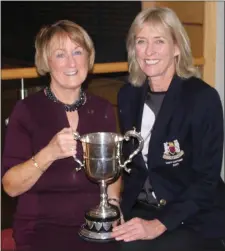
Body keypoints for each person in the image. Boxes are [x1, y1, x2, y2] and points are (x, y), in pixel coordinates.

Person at [111, 7, 225, 251]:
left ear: (176, 48)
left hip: (192, 214)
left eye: (159, 41)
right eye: (141, 41)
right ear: (134, 49)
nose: (149, 51)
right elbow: (130, 165)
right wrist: (115, 208)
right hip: (141, 207)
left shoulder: (203, 99)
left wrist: (158, 224)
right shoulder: (128, 95)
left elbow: (207, 179)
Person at [2, 20, 121, 251]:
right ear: (46, 62)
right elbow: (10, 186)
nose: (72, 62)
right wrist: (49, 153)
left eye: (78, 52)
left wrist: (113, 207)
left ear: (89, 57)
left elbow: (112, 171)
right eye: (60, 54)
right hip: (42, 227)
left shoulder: (104, 109)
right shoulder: (26, 110)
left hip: (96, 226)